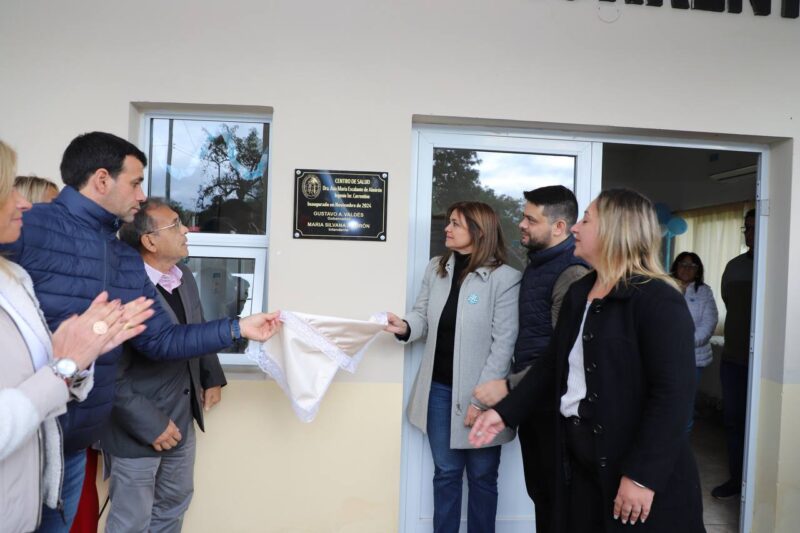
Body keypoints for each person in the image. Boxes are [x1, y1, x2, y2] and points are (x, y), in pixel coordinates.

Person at [0, 131, 281, 532]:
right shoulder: (31, 227)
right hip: (23, 439)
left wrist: (238, 327)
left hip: (72, 447)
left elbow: (162, 341)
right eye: (134, 183)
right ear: (102, 180)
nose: (141, 195)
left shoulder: (122, 257)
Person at [470, 189, 704, 532]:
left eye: (586, 220)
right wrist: (504, 411)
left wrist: (641, 476)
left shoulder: (659, 300)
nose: (575, 228)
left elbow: (673, 398)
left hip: (635, 470)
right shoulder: (580, 292)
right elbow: (552, 366)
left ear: (615, 230)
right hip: (580, 463)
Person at [0, 140, 154, 533]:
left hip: (60, 448)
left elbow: (49, 364)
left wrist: (77, 361)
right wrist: (65, 367)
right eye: (10, 190)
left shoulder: (15, 281)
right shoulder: (36, 232)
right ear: (102, 180)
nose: (24, 203)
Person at [384, 201, 520, 533]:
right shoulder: (437, 268)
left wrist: (479, 402)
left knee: (483, 476)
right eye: (449, 222)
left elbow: (503, 345)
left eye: (455, 223)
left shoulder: (505, 279)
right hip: (439, 392)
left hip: (483, 397)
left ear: (479, 231)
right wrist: (405, 326)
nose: (447, 228)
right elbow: (422, 315)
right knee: (445, 474)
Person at [102, 199, 228, 532]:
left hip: (182, 416)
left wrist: (211, 376)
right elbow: (108, 371)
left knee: (174, 505)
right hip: (135, 426)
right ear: (150, 241)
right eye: (175, 225)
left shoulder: (183, 276)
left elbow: (197, 328)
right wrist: (149, 424)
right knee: (132, 518)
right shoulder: (121, 287)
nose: (186, 230)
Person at [472, 185, 588, 533]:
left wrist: (509, 386)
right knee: (542, 494)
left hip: (556, 409)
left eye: (530, 219)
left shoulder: (571, 273)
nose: (521, 224)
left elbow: (565, 355)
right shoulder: (538, 265)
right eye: (524, 216)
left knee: (558, 501)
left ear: (559, 226)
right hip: (534, 403)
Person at [712, 209, 755, 500]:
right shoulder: (734, 267)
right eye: (746, 228)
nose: (750, 233)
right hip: (734, 359)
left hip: (764, 364)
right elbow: (730, 303)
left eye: (754, 227)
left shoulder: (780, 263)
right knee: (734, 421)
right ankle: (737, 479)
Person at [670, 251, 719, 430]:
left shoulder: (704, 292)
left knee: (685, 402)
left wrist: (685, 343)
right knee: (665, 400)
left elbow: (709, 324)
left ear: (698, 271)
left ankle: (682, 439)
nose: (687, 268)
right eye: (683, 264)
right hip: (665, 354)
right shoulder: (664, 288)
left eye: (692, 266)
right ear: (676, 267)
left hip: (693, 358)